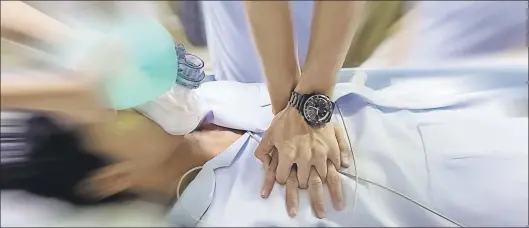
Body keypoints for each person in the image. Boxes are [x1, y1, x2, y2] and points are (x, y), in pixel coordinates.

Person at [2, 51, 527, 226]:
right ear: (115, 176)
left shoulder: (208, 97)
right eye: (109, 118)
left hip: (483, 105)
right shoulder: (237, 216)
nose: (120, 102)